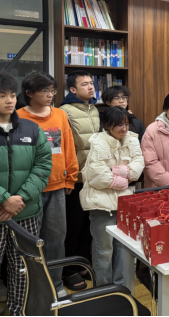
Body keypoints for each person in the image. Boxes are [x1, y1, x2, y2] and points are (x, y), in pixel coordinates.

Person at [0, 72, 52, 316]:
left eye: (12, 95)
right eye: (1, 95)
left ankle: (20, 311)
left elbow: (43, 165)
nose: (9, 100)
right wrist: (4, 199)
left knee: (23, 269)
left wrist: (20, 198)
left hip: (26, 212)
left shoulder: (31, 128)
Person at [17, 71, 78, 298]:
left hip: (57, 186)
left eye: (52, 90)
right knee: (29, 242)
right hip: (28, 190)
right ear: (30, 93)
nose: (50, 95)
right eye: (45, 91)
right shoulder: (18, 116)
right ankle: (29, 288)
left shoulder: (60, 114)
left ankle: (56, 284)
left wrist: (71, 176)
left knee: (56, 239)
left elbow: (68, 146)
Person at [80, 106, 144, 287]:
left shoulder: (132, 139)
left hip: (124, 202)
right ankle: (103, 289)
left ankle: (120, 287)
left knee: (123, 248)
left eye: (126, 124)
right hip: (101, 204)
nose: (124, 129)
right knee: (104, 250)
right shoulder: (98, 141)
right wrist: (120, 181)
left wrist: (122, 171)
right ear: (107, 125)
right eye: (119, 125)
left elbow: (139, 164)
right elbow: (95, 175)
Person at [60, 70, 100, 291]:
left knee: (88, 224)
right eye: (85, 84)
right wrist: (69, 175)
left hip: (92, 177)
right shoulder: (64, 111)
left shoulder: (93, 109)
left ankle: (83, 264)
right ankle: (69, 270)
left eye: (91, 83)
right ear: (73, 89)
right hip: (74, 180)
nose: (91, 87)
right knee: (72, 227)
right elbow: (64, 146)